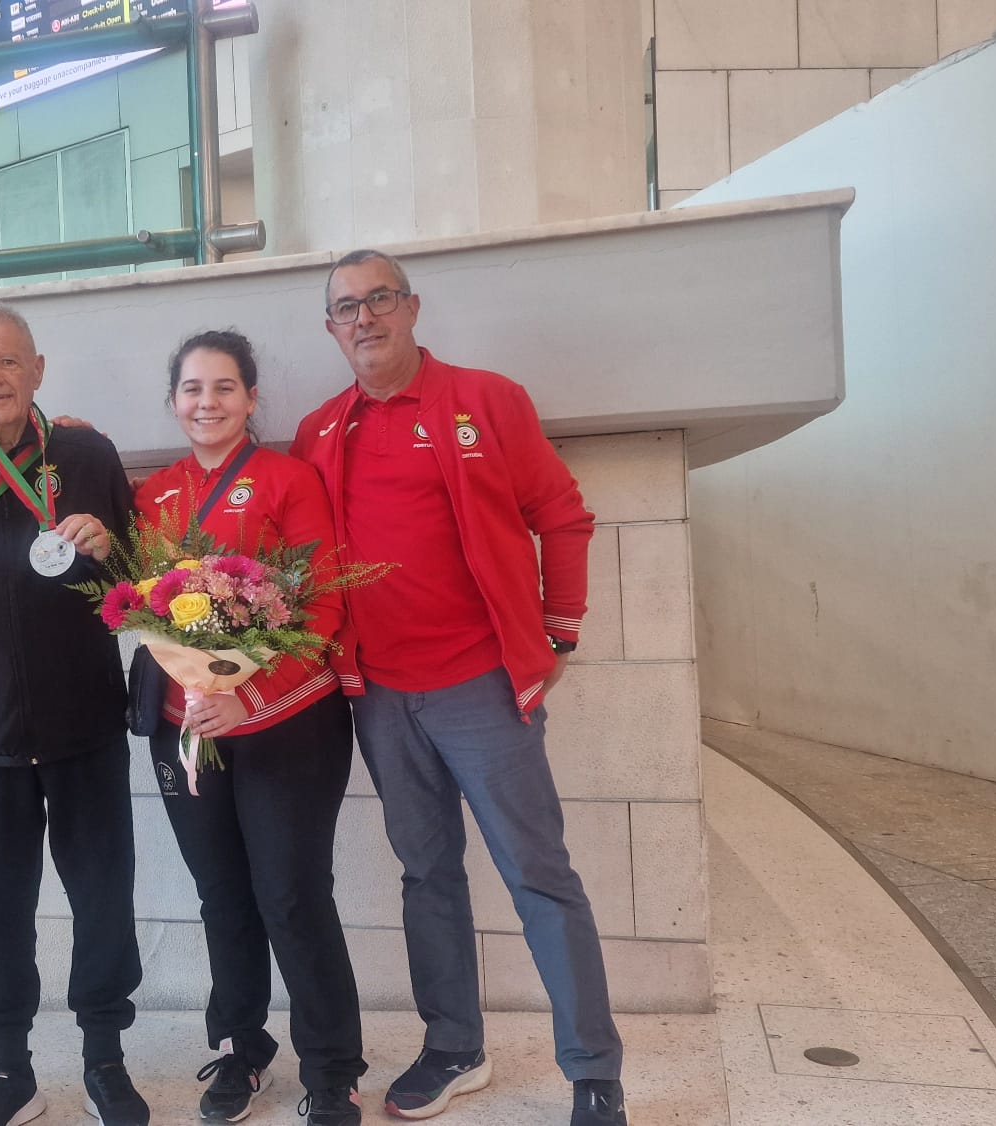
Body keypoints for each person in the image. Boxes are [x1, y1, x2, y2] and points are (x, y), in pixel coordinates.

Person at [288, 250, 628, 1126]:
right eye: (344, 308)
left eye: (378, 300)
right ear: (330, 328)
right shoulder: (321, 432)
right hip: (379, 695)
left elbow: (563, 513)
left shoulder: (487, 400)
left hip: (482, 686)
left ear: (410, 308)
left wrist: (560, 630)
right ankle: (454, 1045)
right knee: (426, 873)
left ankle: (594, 1073)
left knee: (539, 875)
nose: (363, 319)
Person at [0, 301, 147, 1126]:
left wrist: (115, 549)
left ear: (37, 369)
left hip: (85, 727)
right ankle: (10, 1069)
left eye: (8, 362)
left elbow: (146, 586)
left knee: (103, 894)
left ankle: (105, 1059)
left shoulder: (86, 453)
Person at [133, 330, 367, 1126]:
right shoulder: (154, 495)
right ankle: (241, 1048)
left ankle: (333, 1069)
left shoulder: (287, 479)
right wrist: (200, 695)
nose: (208, 403)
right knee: (222, 899)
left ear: (251, 398)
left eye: (224, 388)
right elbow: (141, 609)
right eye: (193, 389)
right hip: (188, 728)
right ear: (174, 401)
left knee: (292, 896)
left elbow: (327, 604)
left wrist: (248, 693)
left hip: (287, 725)